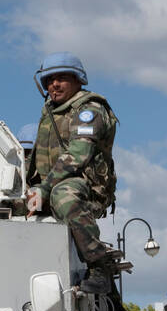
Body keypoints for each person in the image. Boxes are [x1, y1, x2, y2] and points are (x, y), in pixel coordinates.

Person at [26, 52, 122, 294]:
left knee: (63, 196)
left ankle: (100, 267)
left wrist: (44, 189)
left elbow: (80, 154)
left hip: (87, 187)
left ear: (78, 79)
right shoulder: (50, 111)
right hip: (51, 184)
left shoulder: (89, 109)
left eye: (61, 78)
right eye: (49, 80)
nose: (54, 84)